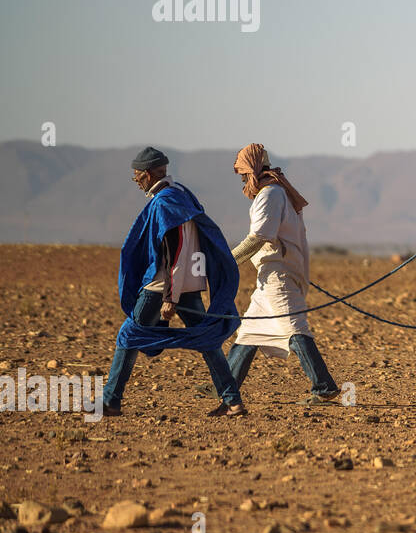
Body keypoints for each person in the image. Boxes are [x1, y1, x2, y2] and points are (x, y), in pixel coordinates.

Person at [107, 146, 246, 417]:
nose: (136, 181)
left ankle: (111, 401)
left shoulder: (165, 202)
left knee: (129, 335)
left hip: (162, 285)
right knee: (206, 341)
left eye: (137, 176)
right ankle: (233, 401)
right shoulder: (182, 194)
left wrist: (171, 296)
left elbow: (175, 247)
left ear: (147, 174)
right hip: (189, 281)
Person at [218, 143, 340, 404]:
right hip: (271, 274)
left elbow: (260, 236)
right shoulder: (276, 192)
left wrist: (226, 261)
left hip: (278, 274)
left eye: (242, 172)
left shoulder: (270, 194)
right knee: (249, 331)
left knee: (295, 329)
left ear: (251, 169)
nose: (241, 178)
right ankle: (225, 384)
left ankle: (324, 387)